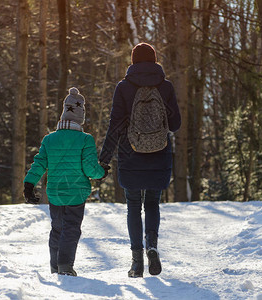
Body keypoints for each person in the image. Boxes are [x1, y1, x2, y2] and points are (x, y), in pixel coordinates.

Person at [99, 43, 181, 277]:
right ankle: (152, 247)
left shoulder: (123, 87)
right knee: (152, 203)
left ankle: (137, 262)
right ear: (154, 60)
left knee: (133, 206)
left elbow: (114, 126)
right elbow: (175, 125)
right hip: (159, 153)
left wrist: (103, 160)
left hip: (129, 154)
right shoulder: (165, 87)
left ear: (133, 61)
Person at [23, 87, 107, 276]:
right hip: (76, 193)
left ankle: (55, 266)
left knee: (57, 229)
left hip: (55, 193)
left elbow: (39, 164)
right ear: (81, 117)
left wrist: (29, 185)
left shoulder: (49, 139)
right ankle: (65, 266)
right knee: (71, 229)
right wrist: (102, 172)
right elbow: (90, 168)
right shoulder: (85, 139)